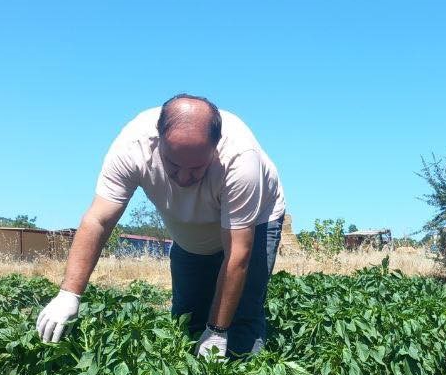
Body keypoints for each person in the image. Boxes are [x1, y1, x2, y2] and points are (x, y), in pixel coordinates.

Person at [36, 94, 286, 355]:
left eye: (197, 168)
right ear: (158, 141)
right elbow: (98, 220)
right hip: (189, 236)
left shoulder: (240, 159)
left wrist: (218, 330)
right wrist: (69, 294)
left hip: (254, 224)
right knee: (187, 316)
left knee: (242, 314)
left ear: (216, 146)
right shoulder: (133, 146)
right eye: (174, 165)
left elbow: (237, 255)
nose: (184, 178)